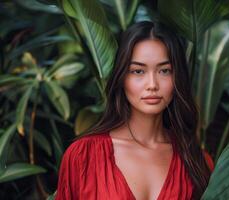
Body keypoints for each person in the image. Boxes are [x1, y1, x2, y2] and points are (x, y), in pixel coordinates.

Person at [55, 21, 212, 200]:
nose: (152, 85)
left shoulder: (197, 161)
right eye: (138, 71)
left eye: (164, 71)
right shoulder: (83, 156)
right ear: (122, 77)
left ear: (178, 78)